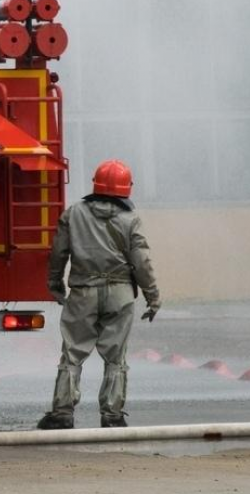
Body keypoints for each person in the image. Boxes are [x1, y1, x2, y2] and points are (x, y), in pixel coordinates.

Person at [37, 160, 161, 430]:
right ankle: (112, 415)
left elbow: (58, 252)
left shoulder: (74, 214)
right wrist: (153, 297)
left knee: (72, 353)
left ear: (96, 183)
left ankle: (62, 413)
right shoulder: (131, 219)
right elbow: (141, 262)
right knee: (116, 357)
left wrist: (55, 282)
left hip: (83, 292)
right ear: (127, 187)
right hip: (120, 294)